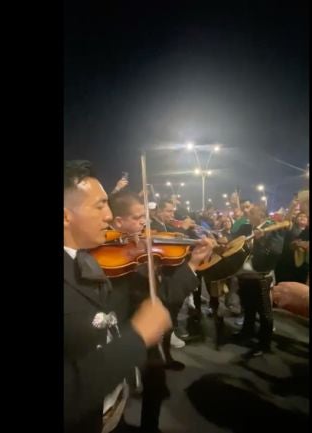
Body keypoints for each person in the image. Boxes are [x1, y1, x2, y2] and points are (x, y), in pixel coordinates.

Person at [63, 161, 172, 433]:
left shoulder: (85, 258)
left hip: (110, 410)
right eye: (100, 205)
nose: (110, 216)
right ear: (66, 216)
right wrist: (137, 338)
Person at [107, 191, 212, 432]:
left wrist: (190, 261)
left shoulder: (141, 252)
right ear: (118, 222)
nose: (144, 223)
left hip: (144, 338)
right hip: (122, 334)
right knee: (117, 395)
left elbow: (164, 296)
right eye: (137, 218)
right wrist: (192, 265)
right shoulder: (112, 257)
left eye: (144, 217)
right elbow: (164, 299)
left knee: (154, 382)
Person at [232, 203, 285, 358]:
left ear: (261, 214)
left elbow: (276, 251)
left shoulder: (274, 227)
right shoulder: (250, 227)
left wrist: (261, 241)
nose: (247, 213)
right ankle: (246, 334)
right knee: (248, 307)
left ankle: (264, 343)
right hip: (247, 274)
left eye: (252, 211)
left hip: (261, 275)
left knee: (264, 311)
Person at [274, 212, 310, 284]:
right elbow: (286, 220)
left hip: (301, 265)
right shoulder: (292, 227)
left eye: (305, 216)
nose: (302, 217)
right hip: (287, 262)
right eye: (300, 216)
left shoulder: (307, 231)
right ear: (295, 220)